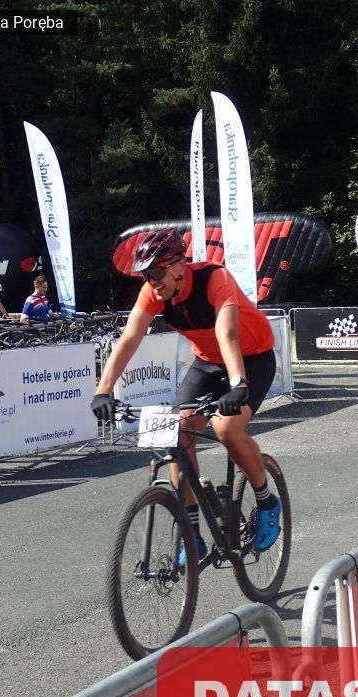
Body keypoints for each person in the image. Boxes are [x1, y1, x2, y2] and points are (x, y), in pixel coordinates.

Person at [90, 228, 282, 564]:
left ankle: (267, 500)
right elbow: (130, 338)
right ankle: (191, 535)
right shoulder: (154, 293)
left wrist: (238, 383)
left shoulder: (214, 278)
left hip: (251, 357)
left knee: (225, 428)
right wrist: (103, 390)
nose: (152, 282)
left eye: (156, 273)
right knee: (176, 433)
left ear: (179, 266)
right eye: (146, 275)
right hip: (207, 362)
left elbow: (227, 332)